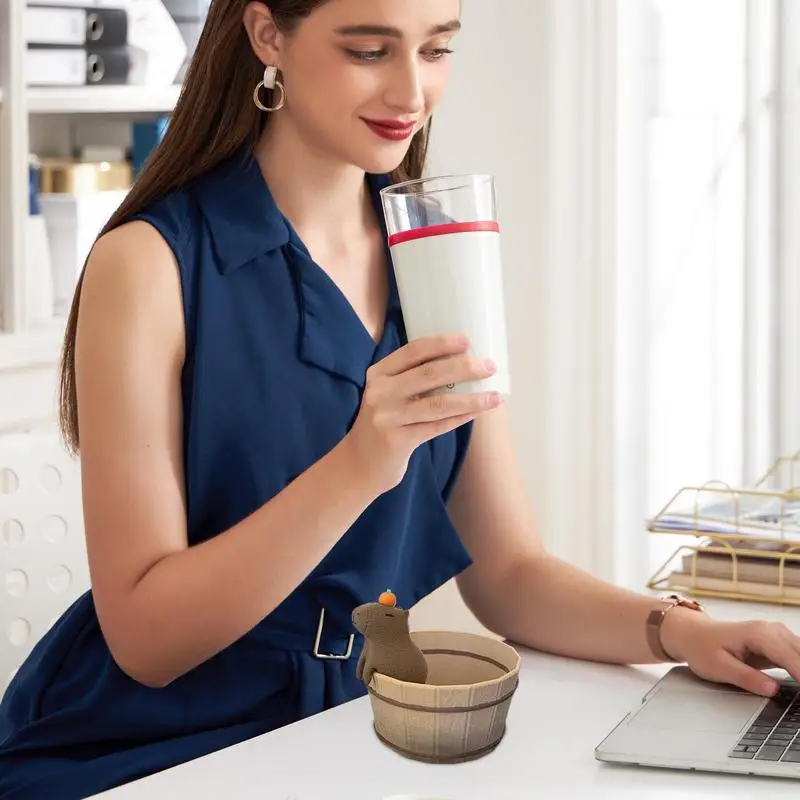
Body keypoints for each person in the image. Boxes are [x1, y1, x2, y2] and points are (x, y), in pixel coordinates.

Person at [2, 0, 800, 796]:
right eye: (369, 50)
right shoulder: (147, 266)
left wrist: (682, 632)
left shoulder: (437, 254)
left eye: (437, 50)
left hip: (348, 729)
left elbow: (510, 573)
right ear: (266, 34)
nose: (411, 94)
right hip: (143, 749)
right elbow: (146, 640)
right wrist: (361, 461)